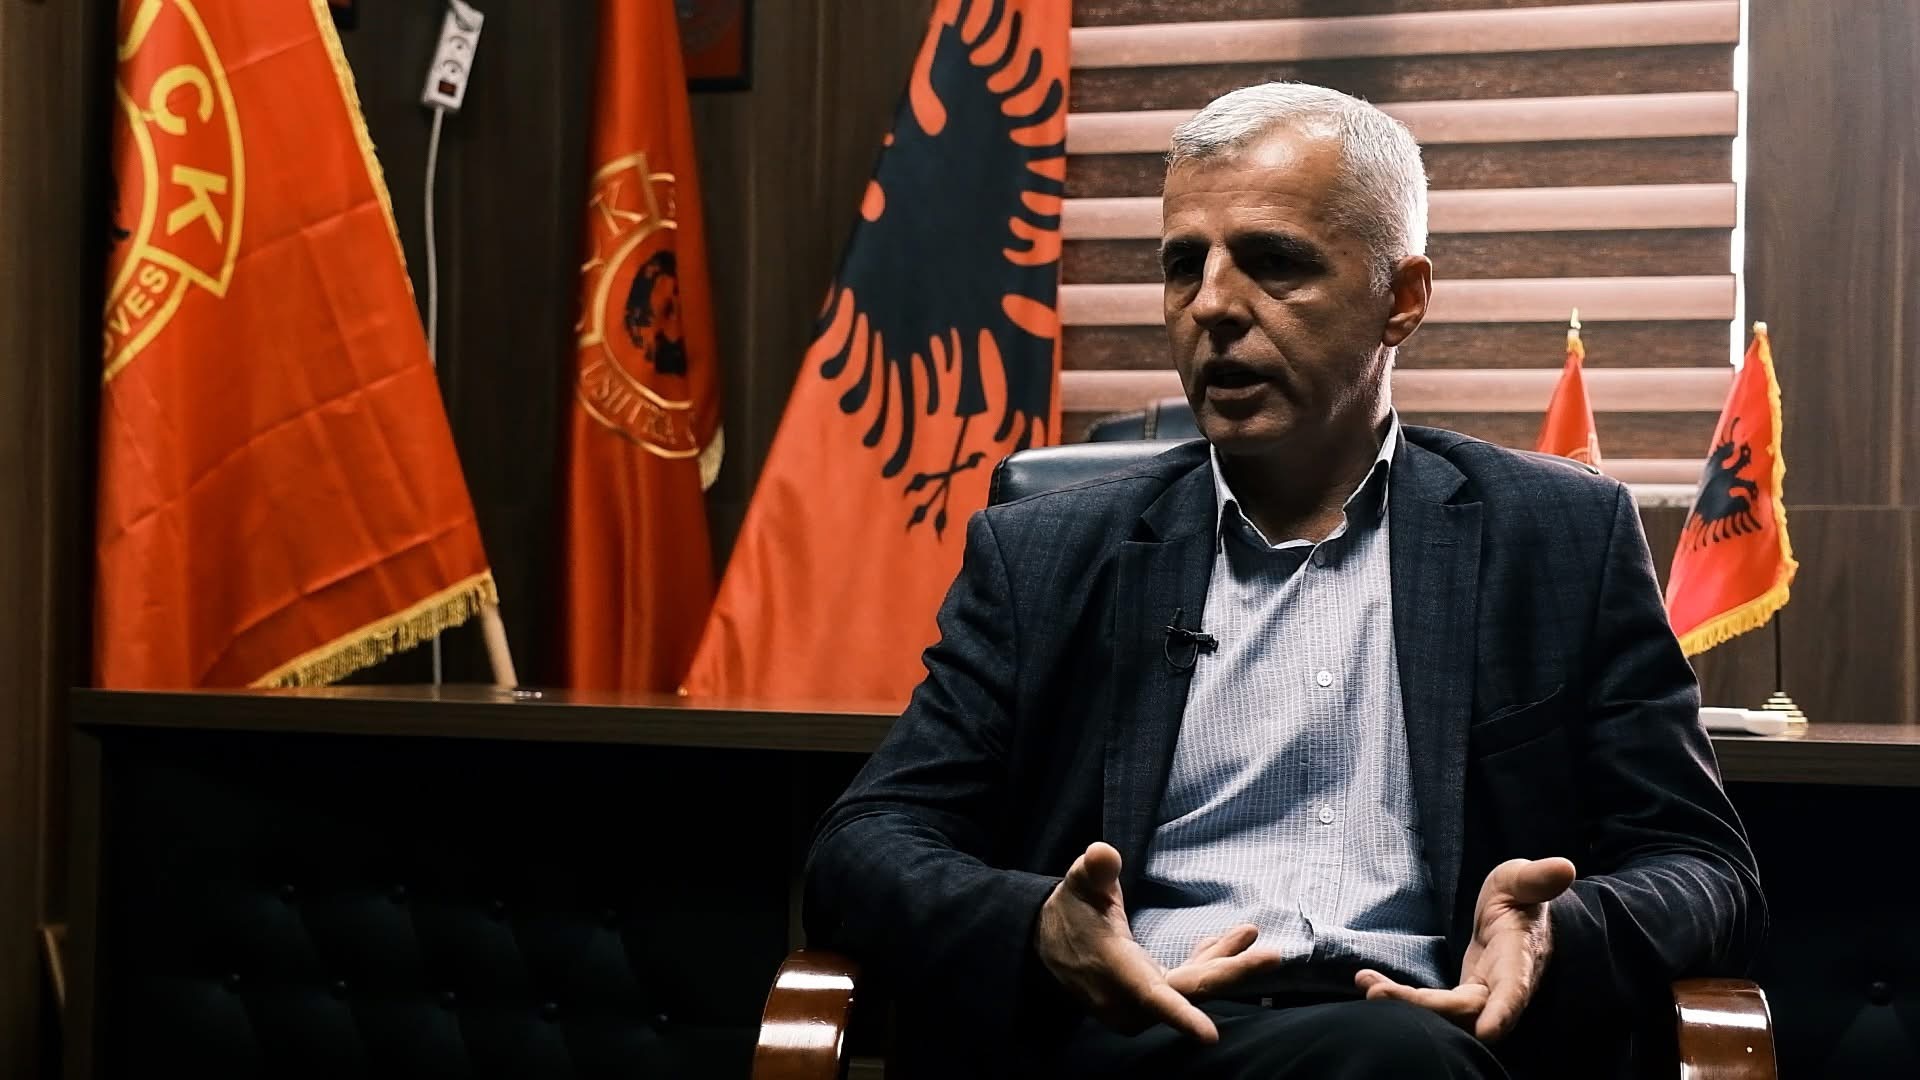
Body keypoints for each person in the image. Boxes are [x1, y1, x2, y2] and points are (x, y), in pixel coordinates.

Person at [802, 82, 1764, 1079]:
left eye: (1273, 262)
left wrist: (1557, 930)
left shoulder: (1559, 537)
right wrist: (1042, 929)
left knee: (1393, 1058)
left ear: (1402, 298)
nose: (1213, 305)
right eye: (1184, 265)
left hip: (1425, 1033)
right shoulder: (1044, 553)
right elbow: (861, 848)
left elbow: (1708, 870)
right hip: (1134, 1043)